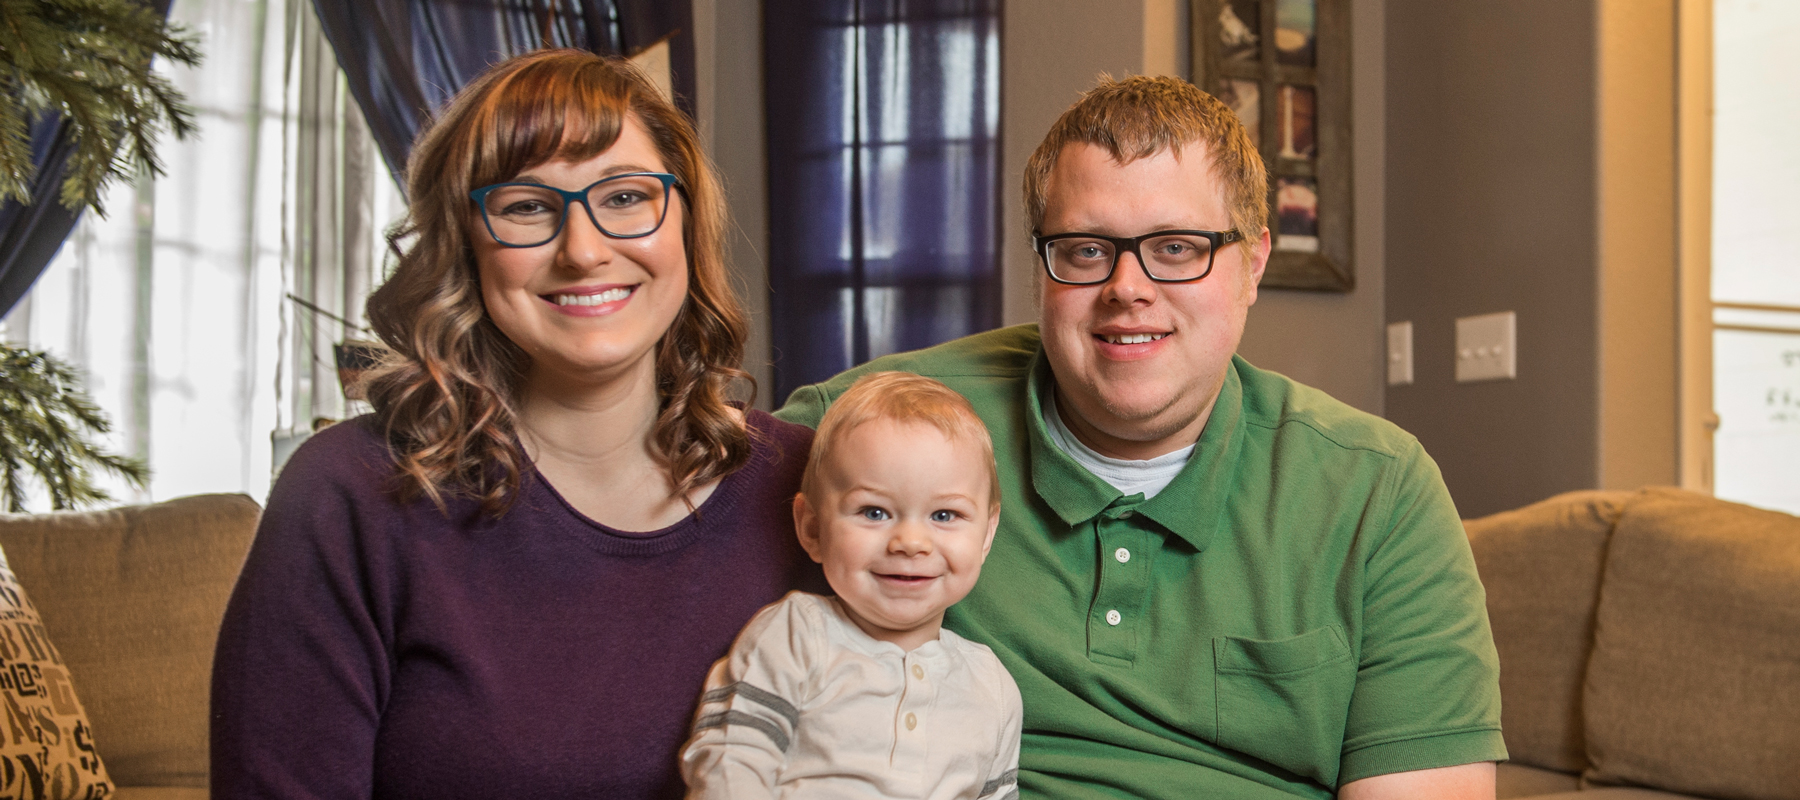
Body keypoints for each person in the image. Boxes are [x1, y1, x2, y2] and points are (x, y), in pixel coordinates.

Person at [774, 75, 1506, 798]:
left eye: (1178, 247)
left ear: (1251, 265)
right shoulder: (872, 427)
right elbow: (673, 499)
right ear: (1044, 269)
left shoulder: (1378, 490)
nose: (1128, 286)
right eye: (1087, 249)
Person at [210, 50, 821, 799]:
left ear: (686, 221)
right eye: (527, 206)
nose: (585, 250)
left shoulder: (816, 487)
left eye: (626, 196)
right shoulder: (350, 496)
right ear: (464, 244)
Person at [681, 372, 1023, 800]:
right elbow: (732, 762)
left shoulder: (992, 686)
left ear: (987, 534)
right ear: (812, 528)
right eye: (874, 512)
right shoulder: (796, 635)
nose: (911, 544)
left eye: (944, 515)